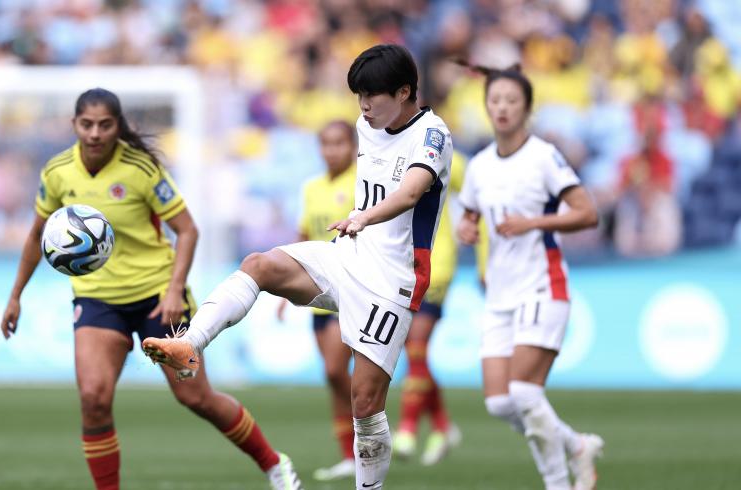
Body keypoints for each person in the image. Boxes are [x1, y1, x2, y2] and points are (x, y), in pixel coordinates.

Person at [142, 44, 453, 490]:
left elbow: (409, 193)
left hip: (392, 280)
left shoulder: (433, 134)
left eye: (373, 96)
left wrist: (363, 216)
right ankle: (189, 344)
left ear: (405, 92)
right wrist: (356, 225)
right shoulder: (368, 124)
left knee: (364, 404)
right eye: (358, 96)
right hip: (348, 254)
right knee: (260, 264)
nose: (364, 106)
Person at [0, 88, 301, 490]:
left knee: (196, 398)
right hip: (97, 298)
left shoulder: (140, 169)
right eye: (86, 124)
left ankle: (272, 463)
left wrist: (175, 290)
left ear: (117, 126)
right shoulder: (57, 172)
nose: (94, 133)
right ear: (74, 125)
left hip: (159, 297)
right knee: (93, 399)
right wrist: (16, 294)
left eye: (104, 125)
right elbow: (39, 233)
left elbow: (187, 230)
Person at [455, 64, 604, 490]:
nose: (501, 108)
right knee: (501, 403)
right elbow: (470, 217)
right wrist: (467, 228)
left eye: (511, 101)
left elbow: (587, 213)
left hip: (542, 283)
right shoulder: (480, 165)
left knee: (524, 392)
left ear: (527, 109)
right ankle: (576, 445)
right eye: (494, 100)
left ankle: (559, 483)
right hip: (499, 291)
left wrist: (533, 223)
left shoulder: (543, 156)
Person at [276, 120, 357, 481]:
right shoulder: (311, 188)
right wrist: (284, 290)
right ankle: (350, 452)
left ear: (353, 146)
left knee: (335, 371)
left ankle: (366, 439)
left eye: (339, 143)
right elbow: (304, 235)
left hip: (353, 287)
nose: (332, 151)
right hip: (320, 290)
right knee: (333, 377)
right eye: (325, 144)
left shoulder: (361, 183)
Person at [393, 151, 484, 466]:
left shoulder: (447, 158)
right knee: (412, 351)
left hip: (436, 264)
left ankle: (406, 428)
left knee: (416, 346)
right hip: (396, 266)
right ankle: (443, 426)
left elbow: (479, 198)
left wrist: (475, 235)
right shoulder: (389, 154)